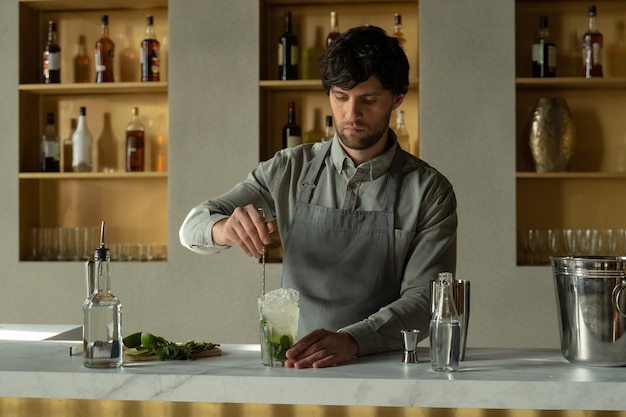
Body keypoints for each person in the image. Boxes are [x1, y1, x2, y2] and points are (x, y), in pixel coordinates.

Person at [179, 25, 457, 368]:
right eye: (340, 97)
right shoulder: (289, 169)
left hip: (386, 368)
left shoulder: (429, 191)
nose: (351, 115)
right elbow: (191, 227)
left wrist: (354, 340)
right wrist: (222, 228)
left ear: (397, 98)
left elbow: (426, 299)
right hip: (295, 365)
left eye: (368, 100)